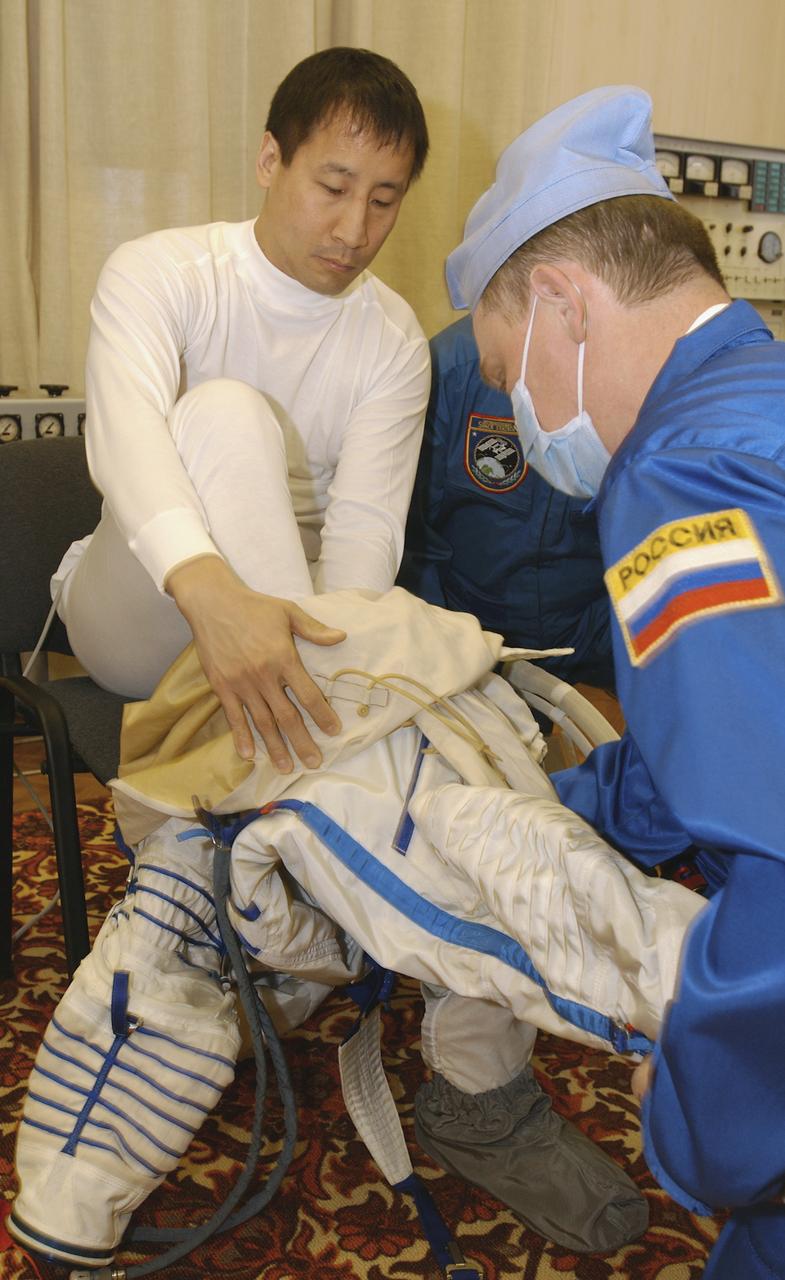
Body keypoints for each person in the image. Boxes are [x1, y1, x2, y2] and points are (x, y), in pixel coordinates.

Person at [445, 84, 785, 1279]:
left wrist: (705, 1111)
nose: (517, 416)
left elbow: (778, 846)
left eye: (506, 375)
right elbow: (730, 736)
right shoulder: (757, 400)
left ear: (560, 303)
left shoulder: (682, 477)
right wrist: (562, 809)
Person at [53, 45, 431, 774]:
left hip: (293, 608)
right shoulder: (160, 271)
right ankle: (331, 756)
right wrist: (214, 592)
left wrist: (334, 638)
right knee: (225, 411)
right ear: (269, 161)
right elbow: (124, 439)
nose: (354, 231)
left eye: (383, 201)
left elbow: (363, 531)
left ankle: (309, 770)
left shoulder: (393, 340)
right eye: (333, 186)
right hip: (148, 601)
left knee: (370, 627)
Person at [398, 313, 614, 689]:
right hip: (469, 636)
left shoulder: (635, 364)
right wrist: (441, 651)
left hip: (597, 638)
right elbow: (412, 536)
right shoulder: (456, 364)